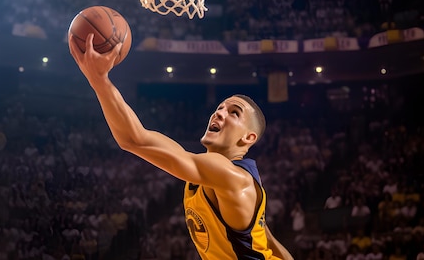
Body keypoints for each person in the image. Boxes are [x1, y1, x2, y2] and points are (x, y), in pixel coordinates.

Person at [69, 34, 294, 259]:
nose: (220, 113)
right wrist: (100, 82)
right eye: (221, 107)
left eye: (234, 112)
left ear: (248, 138)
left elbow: (132, 140)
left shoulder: (229, 175)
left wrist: (100, 80)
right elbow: (137, 137)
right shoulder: (215, 171)